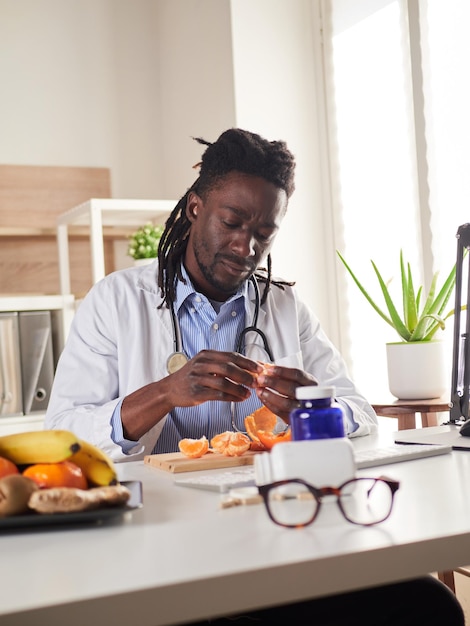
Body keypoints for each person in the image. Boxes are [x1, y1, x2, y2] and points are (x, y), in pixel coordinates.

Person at [45, 129, 464, 625]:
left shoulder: (285, 307)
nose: (247, 246)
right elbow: (65, 437)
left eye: (265, 232)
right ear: (195, 208)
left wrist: (312, 406)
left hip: (283, 530)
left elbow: (361, 417)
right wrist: (164, 394)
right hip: (163, 548)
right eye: (233, 221)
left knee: (428, 607)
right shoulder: (116, 302)